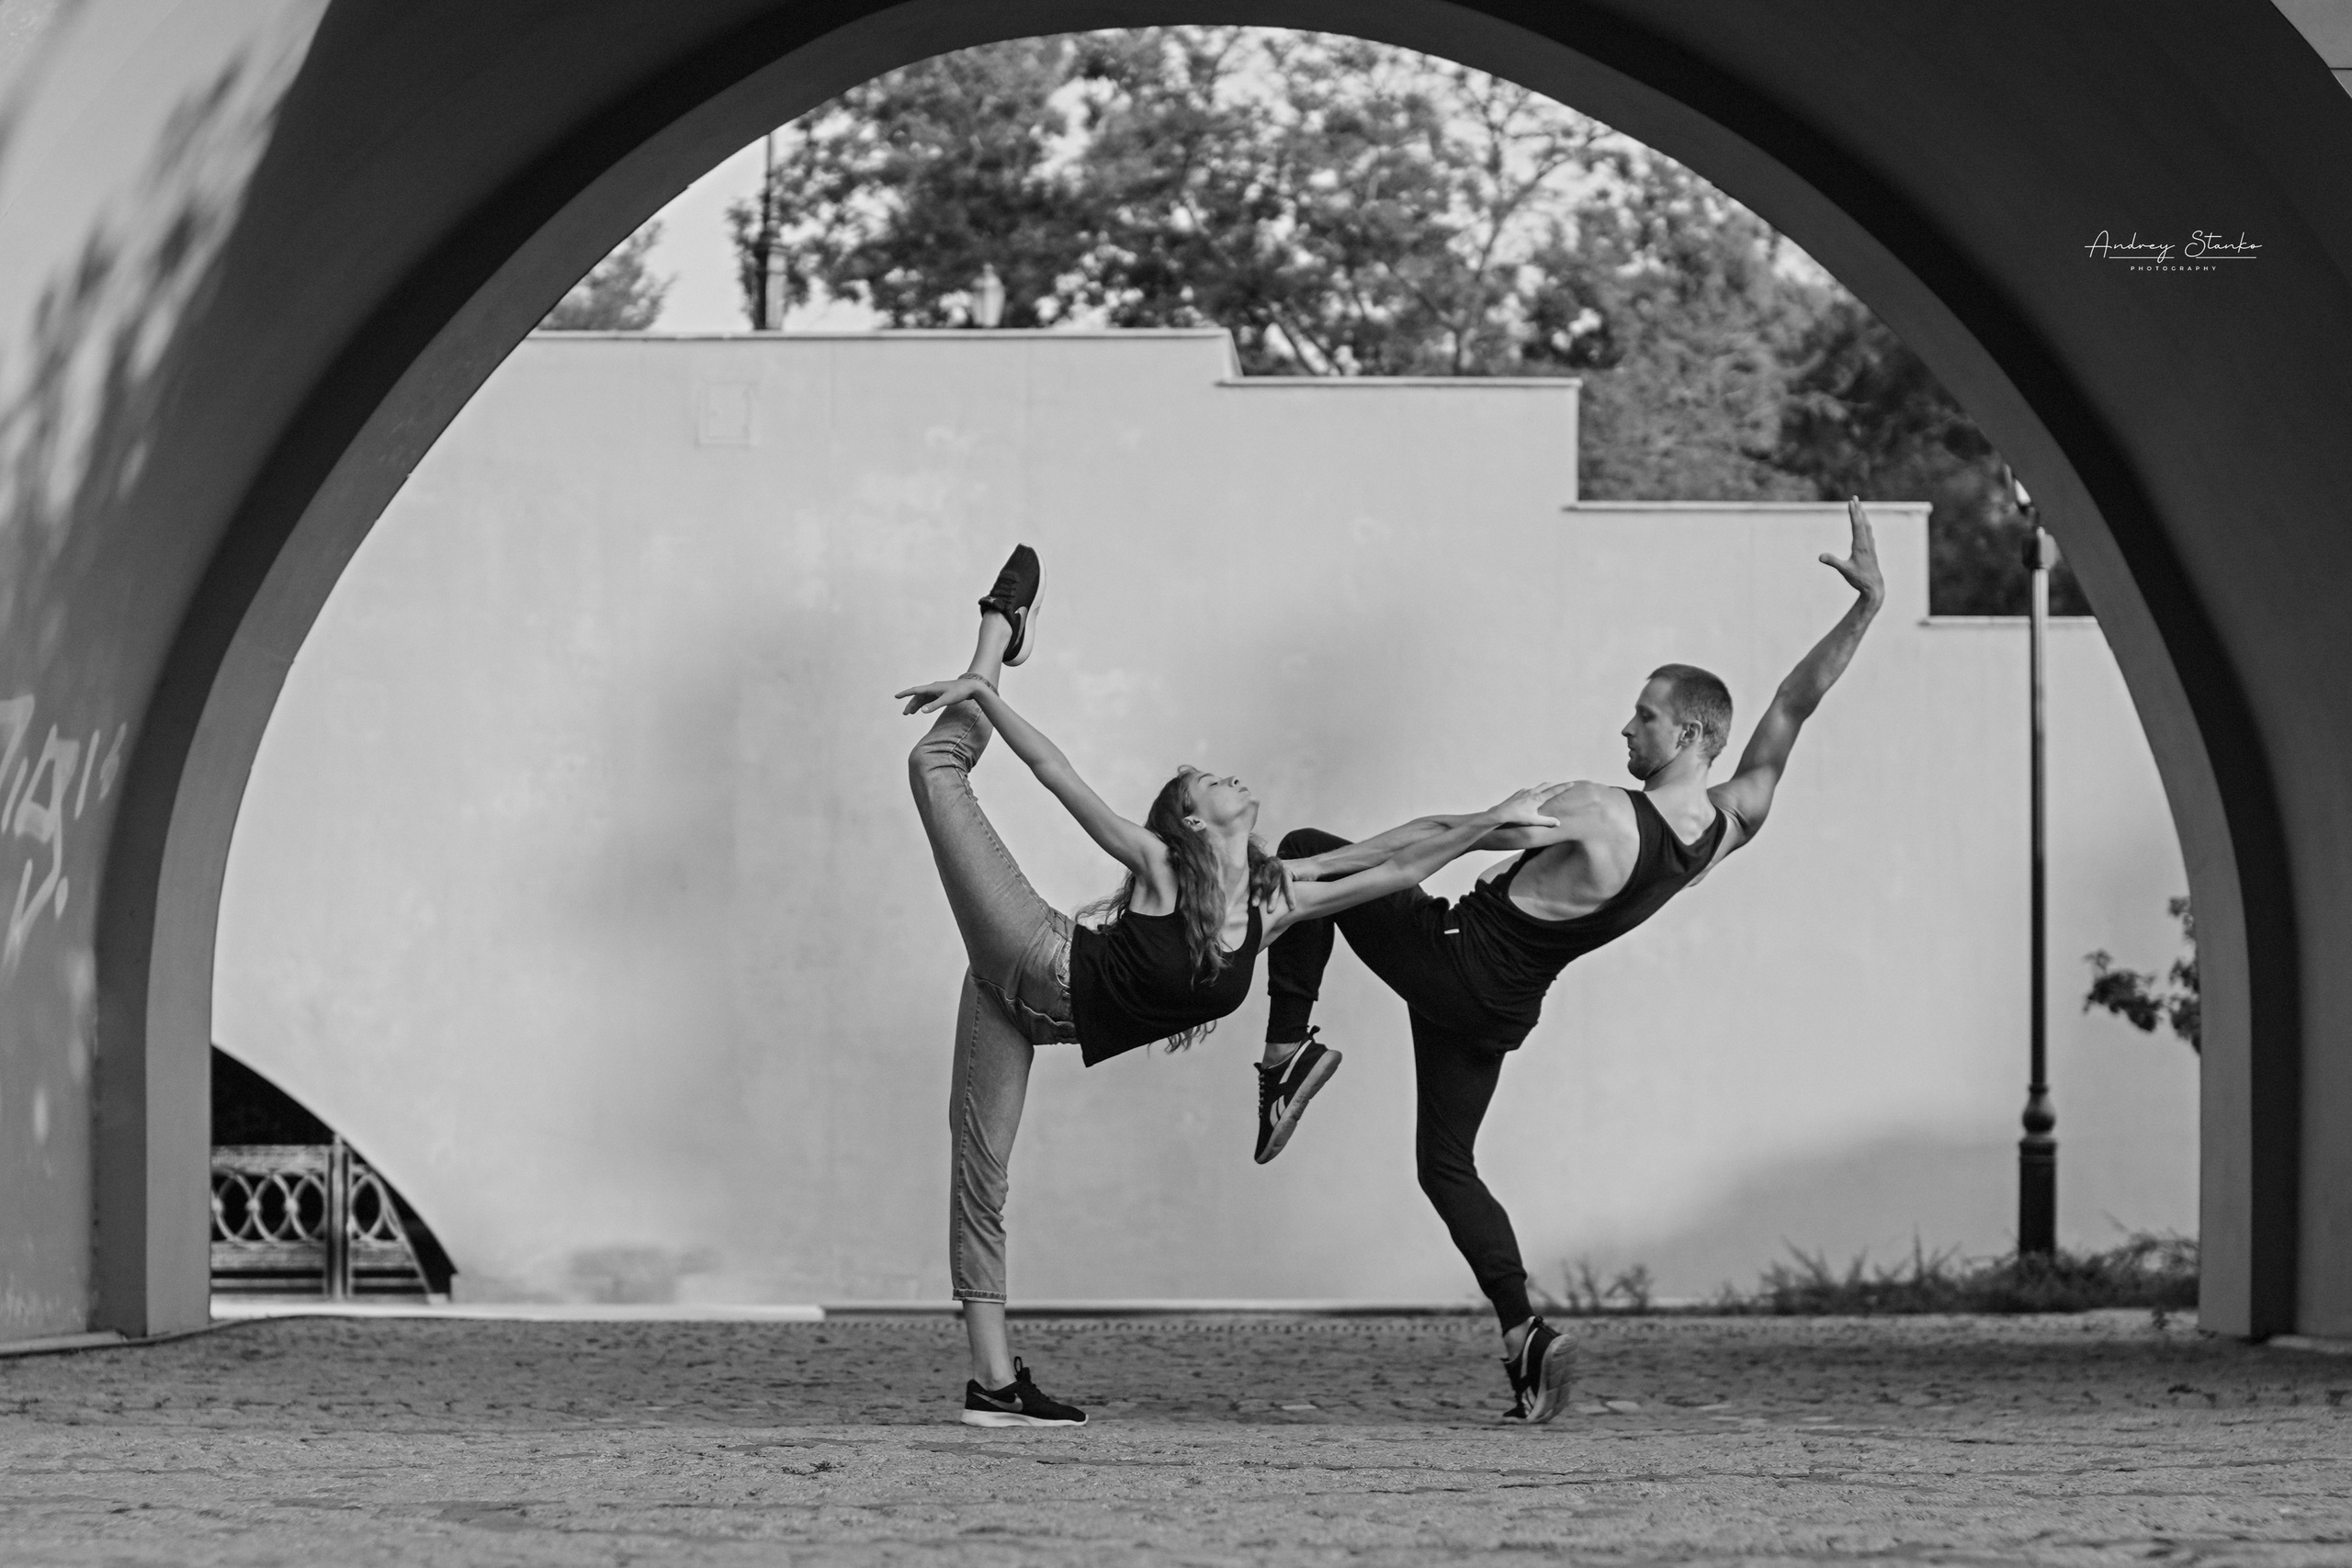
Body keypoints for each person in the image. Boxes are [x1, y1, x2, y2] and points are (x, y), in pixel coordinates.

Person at [898, 545, 1561, 1428]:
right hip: (1030, 952)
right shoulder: (1160, 864)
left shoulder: (1273, 901)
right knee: (932, 763)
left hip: (1019, 1013)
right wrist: (987, 694)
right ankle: (994, 638)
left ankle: (991, 1383)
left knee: (982, 1174)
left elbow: (1393, 854)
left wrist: (1490, 822)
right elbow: (1058, 775)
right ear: (1192, 816)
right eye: (1213, 780)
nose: (1232, 778)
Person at [1253, 501, 1887, 1424]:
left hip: (1454, 958)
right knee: (1446, 1169)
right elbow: (1794, 702)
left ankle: (1284, 1056)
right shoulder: (1729, 825)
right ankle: (1526, 1336)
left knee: (1312, 837)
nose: (1625, 729)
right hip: (1501, 1007)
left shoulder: (1596, 808)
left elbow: (1432, 845)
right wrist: (1864, 610)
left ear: (1690, 737)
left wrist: (1306, 872)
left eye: (1645, 717)